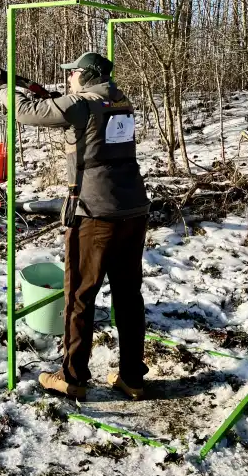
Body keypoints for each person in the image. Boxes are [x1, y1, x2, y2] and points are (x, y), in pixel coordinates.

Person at [11, 51, 151, 401]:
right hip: (133, 210)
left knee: (79, 296)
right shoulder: (120, 100)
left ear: (87, 76)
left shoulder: (81, 103)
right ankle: (132, 377)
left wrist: (5, 88)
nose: (69, 77)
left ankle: (72, 377)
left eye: (73, 73)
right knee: (128, 296)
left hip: (95, 213)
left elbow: (25, 113)